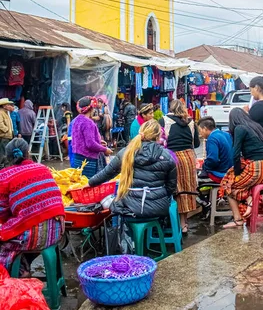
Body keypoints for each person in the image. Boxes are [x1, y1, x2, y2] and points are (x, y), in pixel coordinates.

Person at [0, 138, 65, 272]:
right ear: (27, 153)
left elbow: (2, 212)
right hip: (57, 230)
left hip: (33, 235)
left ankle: (18, 272)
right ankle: (24, 266)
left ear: (7, 157)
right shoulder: (42, 168)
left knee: (5, 238)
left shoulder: (5, 176)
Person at [93, 121, 177, 221]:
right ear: (158, 137)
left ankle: (120, 234)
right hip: (158, 208)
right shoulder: (167, 156)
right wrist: (158, 195)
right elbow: (171, 186)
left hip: (130, 207)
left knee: (113, 209)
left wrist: (90, 183)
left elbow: (107, 173)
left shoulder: (126, 152)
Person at [219, 108, 263, 228]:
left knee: (228, 187)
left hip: (256, 168)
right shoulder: (256, 126)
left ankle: (238, 219)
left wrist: (237, 172)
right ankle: (262, 208)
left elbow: (235, 154)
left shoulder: (240, 128)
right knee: (243, 184)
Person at [159, 100, 200, 233]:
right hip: (188, 157)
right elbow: (197, 143)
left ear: (170, 108)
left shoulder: (163, 120)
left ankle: (171, 221)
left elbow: (160, 140)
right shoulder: (191, 122)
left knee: (173, 188)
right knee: (186, 189)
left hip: (171, 157)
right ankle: (184, 224)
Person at [71, 96, 112, 178]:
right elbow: (90, 144)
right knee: (89, 184)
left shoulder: (76, 120)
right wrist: (105, 150)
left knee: (80, 183)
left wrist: (99, 142)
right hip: (88, 161)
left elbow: (82, 139)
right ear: (92, 109)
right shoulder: (88, 123)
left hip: (77, 159)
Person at [197, 116, 233, 182]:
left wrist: (204, 167)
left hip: (221, 173)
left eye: (200, 131)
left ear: (205, 129)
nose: (200, 134)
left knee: (198, 176)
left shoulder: (212, 138)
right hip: (231, 170)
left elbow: (213, 160)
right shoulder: (226, 134)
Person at [0, 99, 15, 166]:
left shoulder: (6, 113)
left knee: (7, 152)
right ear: (4, 106)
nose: (9, 106)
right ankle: (2, 166)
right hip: (4, 136)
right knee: (4, 153)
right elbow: (0, 124)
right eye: (7, 104)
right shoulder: (1, 113)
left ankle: (5, 165)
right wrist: (6, 130)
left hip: (8, 136)